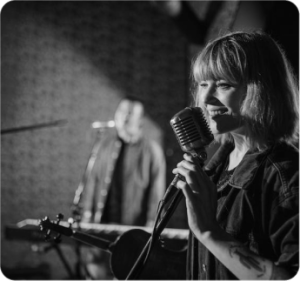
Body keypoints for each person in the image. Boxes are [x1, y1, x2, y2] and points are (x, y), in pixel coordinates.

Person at [172, 31, 299, 280]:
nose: (206, 99)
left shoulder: (287, 176)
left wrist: (209, 231)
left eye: (223, 85)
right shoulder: (216, 164)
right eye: (203, 84)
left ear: (261, 89)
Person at [81, 96, 166, 279]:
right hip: (100, 226)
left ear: (140, 119)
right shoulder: (104, 146)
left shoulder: (152, 151)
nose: (123, 117)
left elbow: (157, 196)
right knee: (95, 271)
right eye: (121, 111)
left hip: (132, 232)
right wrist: (86, 216)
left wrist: (151, 227)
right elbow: (92, 183)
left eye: (129, 113)